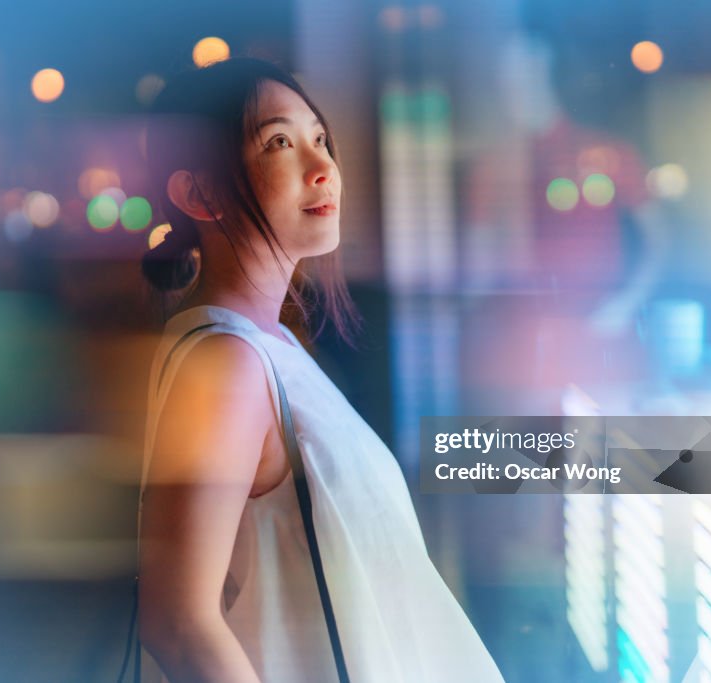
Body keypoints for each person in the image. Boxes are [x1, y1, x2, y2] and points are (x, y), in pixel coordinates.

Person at [137, 58, 503, 683]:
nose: (323, 167)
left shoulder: (271, 345)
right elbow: (178, 623)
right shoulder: (228, 361)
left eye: (320, 138)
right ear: (198, 194)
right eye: (279, 142)